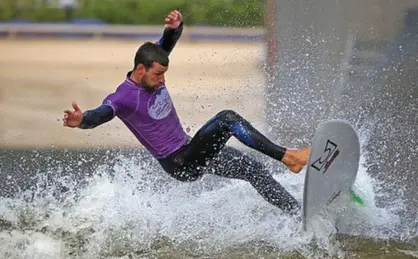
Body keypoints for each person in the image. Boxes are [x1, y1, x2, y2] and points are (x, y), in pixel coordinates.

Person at [62, 10, 310, 216]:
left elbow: (165, 46)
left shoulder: (152, 66)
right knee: (227, 119)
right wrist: (82, 120)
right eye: (158, 75)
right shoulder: (123, 97)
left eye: (163, 74)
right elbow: (102, 114)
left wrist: (174, 29)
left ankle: (297, 215)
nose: (162, 80)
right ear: (140, 69)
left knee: (252, 169)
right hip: (179, 162)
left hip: (190, 149)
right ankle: (289, 158)